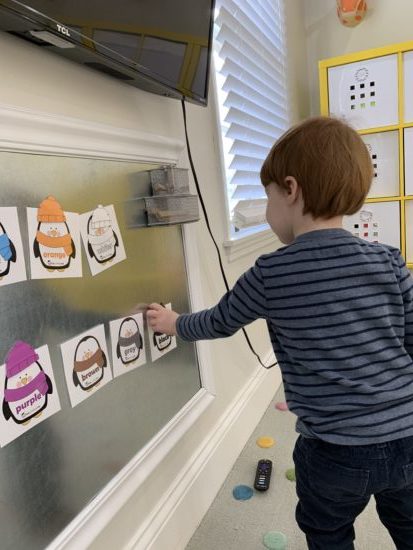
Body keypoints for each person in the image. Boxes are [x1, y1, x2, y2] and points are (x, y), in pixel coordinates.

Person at [147, 116, 413, 550]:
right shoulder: (388, 261)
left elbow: (219, 321)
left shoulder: (271, 273)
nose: (268, 210)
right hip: (407, 435)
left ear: (290, 190)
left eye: (267, 197)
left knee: (327, 531)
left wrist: (175, 323)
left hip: (333, 451)